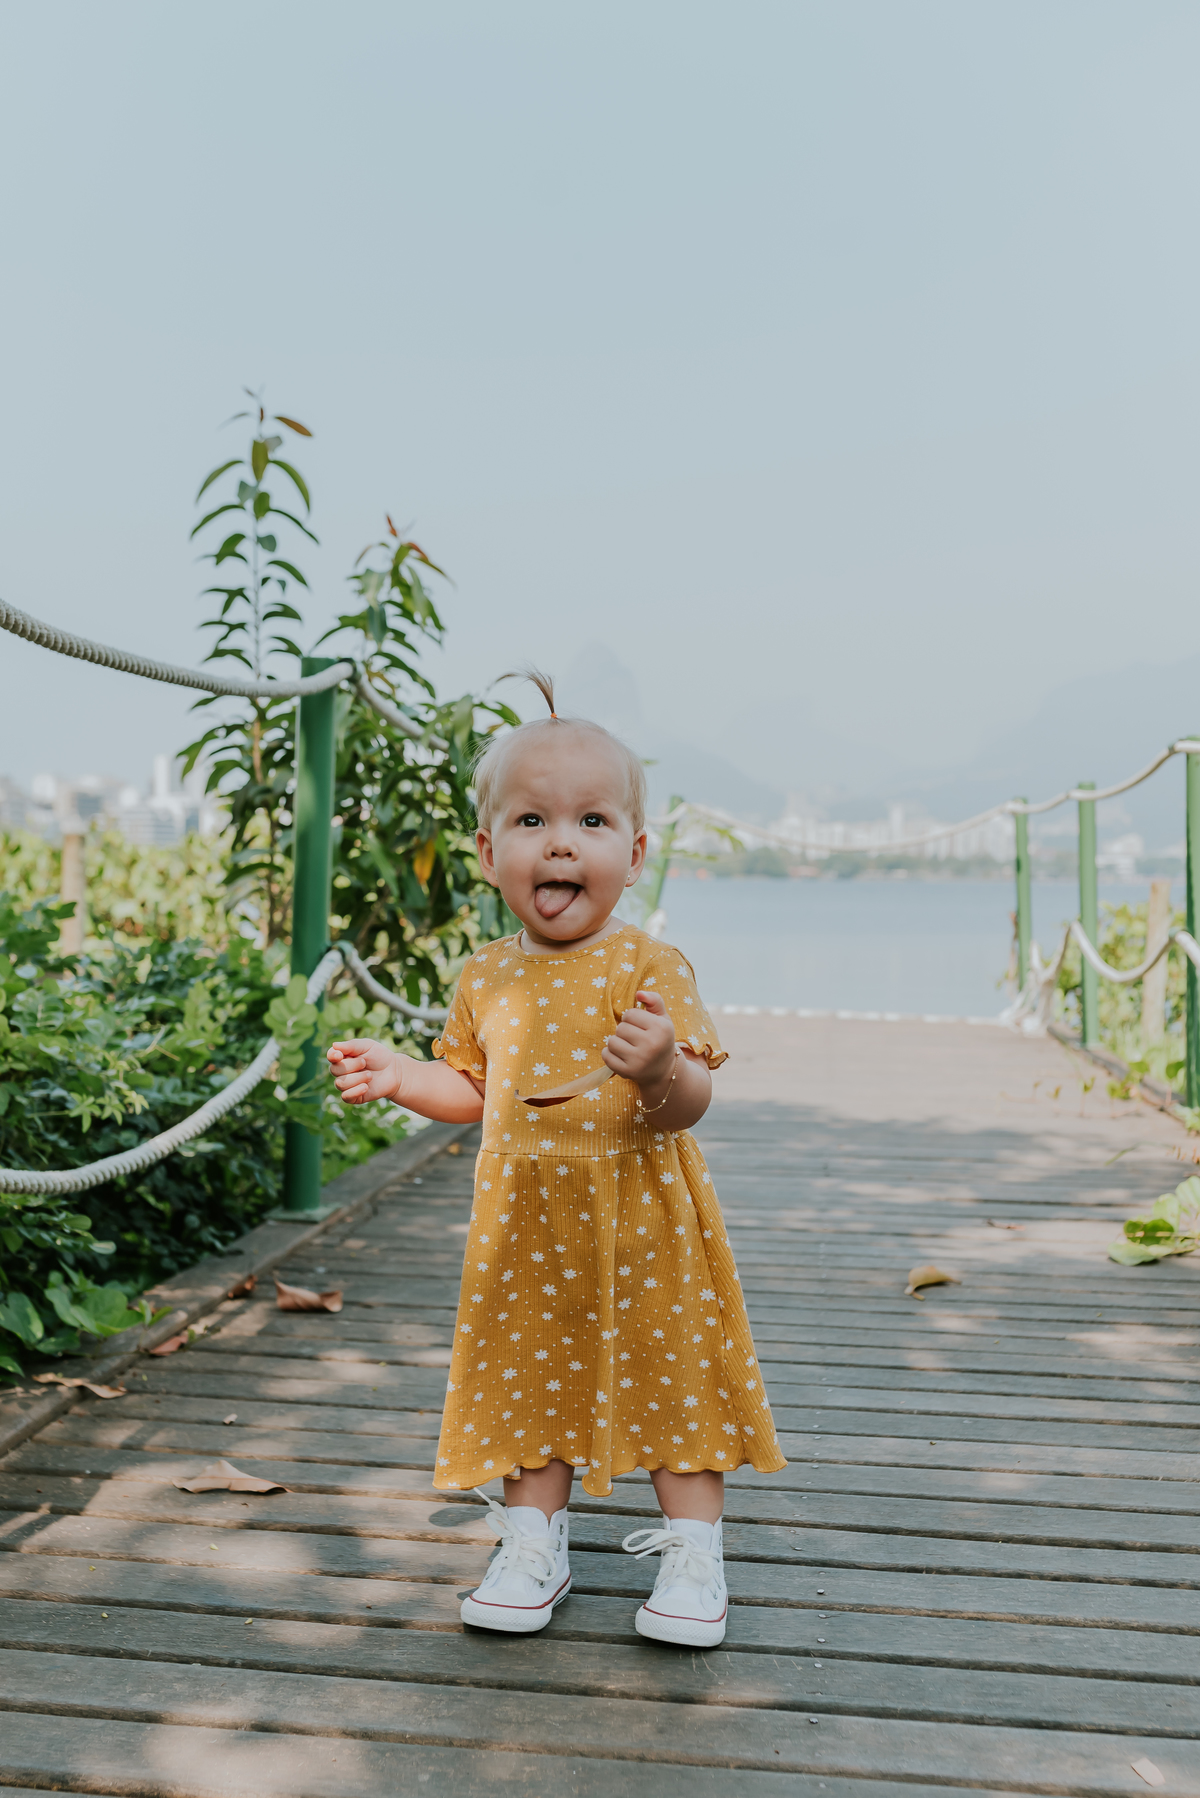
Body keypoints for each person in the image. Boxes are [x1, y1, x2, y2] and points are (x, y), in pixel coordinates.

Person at [327, 670, 785, 1648]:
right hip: (527, 1227)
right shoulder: (487, 973)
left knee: (673, 1375)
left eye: (591, 821)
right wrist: (405, 1076)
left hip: (644, 1220)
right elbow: (476, 1089)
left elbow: (690, 1104)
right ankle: (533, 1541)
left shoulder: (649, 967)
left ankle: (694, 1553)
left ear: (636, 851)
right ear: (490, 852)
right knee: (529, 1381)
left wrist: (659, 1068)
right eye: (532, 820)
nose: (562, 842)